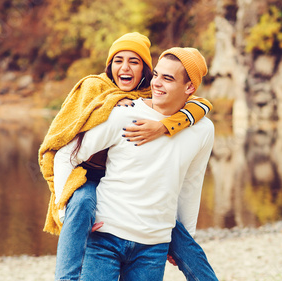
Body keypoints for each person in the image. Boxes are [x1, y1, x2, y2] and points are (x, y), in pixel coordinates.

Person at [38, 33, 216, 280]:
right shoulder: (119, 108)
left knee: (194, 257)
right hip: (103, 229)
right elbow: (65, 150)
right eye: (157, 76)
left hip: (153, 244)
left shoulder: (200, 128)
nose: (157, 84)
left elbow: (191, 185)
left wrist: (184, 239)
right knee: (80, 203)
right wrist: (64, 213)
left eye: (167, 78)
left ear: (189, 88)